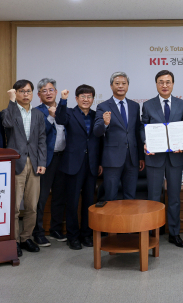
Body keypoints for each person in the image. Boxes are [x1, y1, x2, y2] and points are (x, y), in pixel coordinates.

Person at [141, 70, 183, 248]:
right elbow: (142, 128)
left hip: (175, 158)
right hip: (155, 158)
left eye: (168, 82)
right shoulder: (147, 105)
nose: (164, 85)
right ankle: (153, 232)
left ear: (173, 84)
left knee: (174, 197)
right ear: (156, 84)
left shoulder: (182, 104)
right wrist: (145, 141)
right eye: (161, 82)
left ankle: (174, 233)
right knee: (154, 197)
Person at [2, 79, 47, 257]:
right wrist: (12, 101)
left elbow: (42, 139)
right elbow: (7, 124)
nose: (25, 94)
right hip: (16, 163)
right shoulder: (8, 111)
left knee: (32, 205)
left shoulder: (38, 114)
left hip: (35, 163)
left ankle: (26, 237)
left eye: (28, 91)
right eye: (21, 91)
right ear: (15, 93)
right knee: (14, 206)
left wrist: (42, 162)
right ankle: (13, 241)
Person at [56, 84, 103, 250]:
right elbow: (59, 119)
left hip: (91, 164)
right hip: (73, 164)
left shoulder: (97, 115)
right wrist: (62, 100)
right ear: (76, 99)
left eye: (89, 96)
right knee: (73, 202)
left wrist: (100, 163)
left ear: (93, 99)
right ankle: (73, 237)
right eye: (82, 96)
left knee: (89, 202)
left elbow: (100, 141)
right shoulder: (69, 113)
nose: (86, 99)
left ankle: (86, 235)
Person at [93, 72, 145, 201]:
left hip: (132, 158)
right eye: (117, 83)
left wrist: (140, 156)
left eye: (124, 83)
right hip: (112, 159)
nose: (120, 86)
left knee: (130, 196)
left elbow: (137, 131)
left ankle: (128, 222)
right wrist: (105, 123)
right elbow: (97, 132)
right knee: (111, 196)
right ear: (111, 86)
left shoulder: (135, 106)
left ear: (128, 86)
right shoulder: (103, 106)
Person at [32, 78, 67, 247]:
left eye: (51, 90)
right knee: (42, 197)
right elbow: (39, 134)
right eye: (44, 91)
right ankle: (38, 232)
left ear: (55, 92)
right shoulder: (36, 112)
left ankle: (55, 229)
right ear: (39, 95)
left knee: (59, 196)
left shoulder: (64, 109)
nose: (48, 93)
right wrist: (51, 118)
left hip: (63, 158)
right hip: (45, 160)